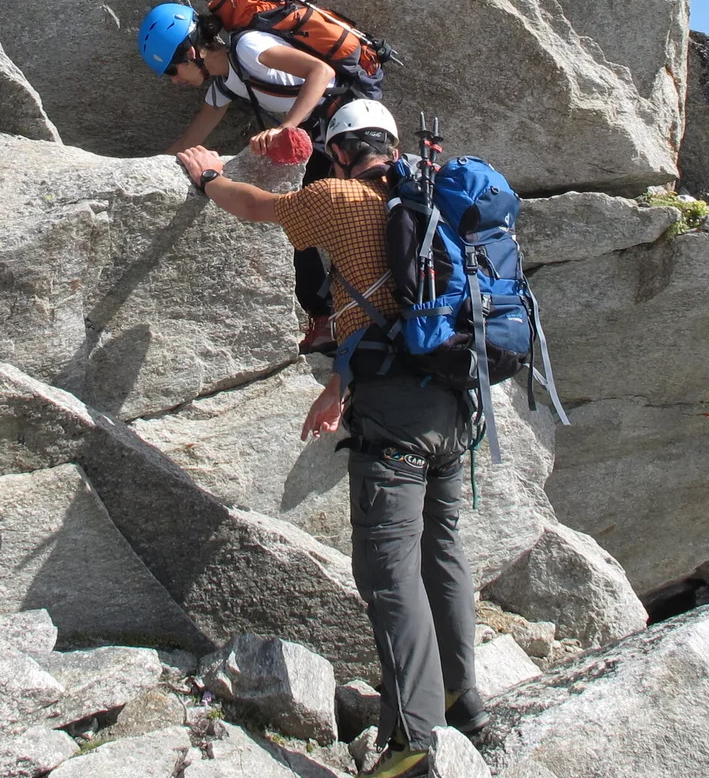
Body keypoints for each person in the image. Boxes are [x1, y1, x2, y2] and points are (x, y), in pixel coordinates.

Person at [175, 101, 481, 775]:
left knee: (389, 575)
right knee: (443, 552)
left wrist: (207, 176)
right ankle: (464, 698)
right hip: (454, 403)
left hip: (393, 420)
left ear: (340, 151)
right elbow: (392, 308)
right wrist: (339, 385)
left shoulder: (338, 197)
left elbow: (256, 206)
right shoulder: (434, 197)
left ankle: (414, 745)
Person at [138, 1, 346, 353]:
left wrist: (285, 128)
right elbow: (189, 141)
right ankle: (326, 317)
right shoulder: (224, 85)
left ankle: (333, 316)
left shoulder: (249, 47)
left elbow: (321, 72)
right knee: (294, 219)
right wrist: (139, 174)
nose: (174, 81)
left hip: (351, 129)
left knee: (309, 218)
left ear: (191, 53)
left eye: (172, 70)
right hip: (324, 140)